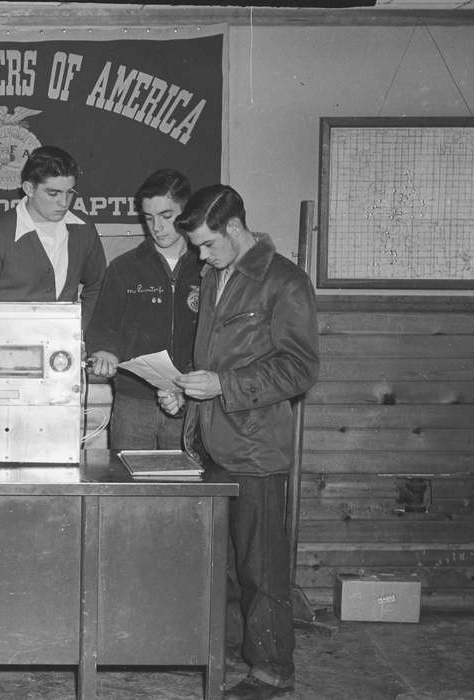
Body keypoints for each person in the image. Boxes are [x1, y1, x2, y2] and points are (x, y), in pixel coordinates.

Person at [157, 185, 319, 700]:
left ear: (233, 228)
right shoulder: (213, 274)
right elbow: (212, 355)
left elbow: (300, 369)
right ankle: (232, 656)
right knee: (224, 566)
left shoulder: (285, 280)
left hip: (255, 449)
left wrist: (224, 386)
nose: (200, 256)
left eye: (207, 245)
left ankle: (272, 672)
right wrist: (184, 390)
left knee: (261, 569)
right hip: (209, 440)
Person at [86, 169, 202, 449]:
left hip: (189, 399)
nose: (157, 227)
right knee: (128, 487)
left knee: (186, 487)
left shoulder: (207, 267)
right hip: (132, 402)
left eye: (166, 216)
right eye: (149, 218)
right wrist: (103, 350)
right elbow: (102, 327)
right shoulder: (124, 268)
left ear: (187, 214)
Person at [0, 145, 106, 329]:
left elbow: (99, 285)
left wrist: (79, 331)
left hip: (63, 347)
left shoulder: (83, 229)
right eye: (53, 193)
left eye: (70, 192)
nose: (64, 202)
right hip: (8, 348)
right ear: (29, 188)